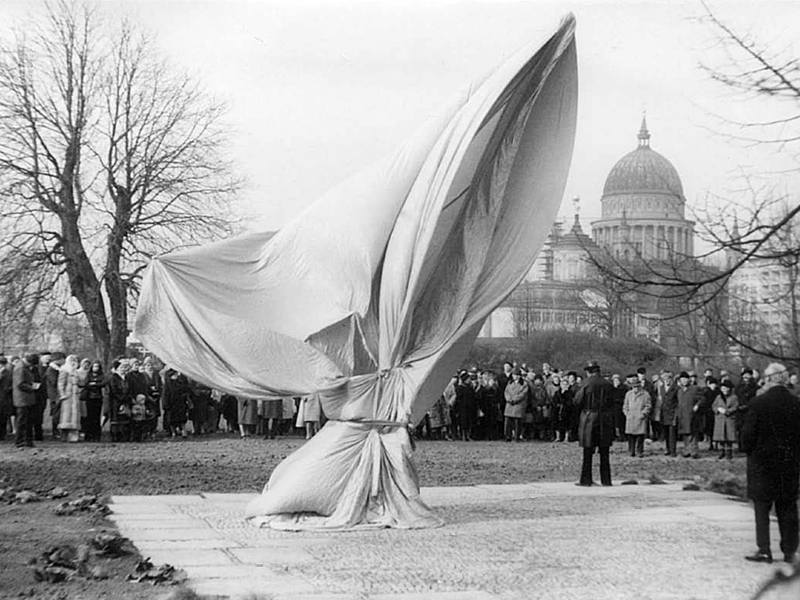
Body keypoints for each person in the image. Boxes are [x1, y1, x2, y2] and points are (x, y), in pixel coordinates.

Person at [742, 362, 800, 564]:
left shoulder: (758, 404)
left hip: (762, 464)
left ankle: (764, 549)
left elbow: (747, 437)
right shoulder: (796, 404)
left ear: (770, 379)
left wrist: (749, 451)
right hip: (789, 463)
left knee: (762, 507)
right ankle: (790, 551)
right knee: (788, 508)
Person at [573, 360, 616, 486]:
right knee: (605, 452)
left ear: (588, 371)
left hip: (589, 418)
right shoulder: (608, 384)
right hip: (605, 419)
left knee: (587, 451)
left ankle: (586, 480)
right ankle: (606, 480)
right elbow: (614, 401)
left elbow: (577, 401)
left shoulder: (585, 384)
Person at [12, 354, 38, 448]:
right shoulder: (21, 368)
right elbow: (20, 384)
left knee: (27, 420)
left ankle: (27, 440)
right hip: (22, 398)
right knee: (22, 420)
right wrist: (32, 387)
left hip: (25, 398)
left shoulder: (22, 367)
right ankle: (20, 441)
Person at [623, 373, 651, 457]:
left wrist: (643, 414)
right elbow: (625, 405)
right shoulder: (628, 394)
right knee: (631, 436)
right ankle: (631, 451)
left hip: (640, 418)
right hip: (630, 417)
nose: (635, 388)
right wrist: (627, 413)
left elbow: (648, 406)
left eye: (637, 386)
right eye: (634, 386)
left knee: (640, 437)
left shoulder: (645, 394)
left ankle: (639, 451)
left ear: (640, 386)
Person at [675, 371, 703, 459]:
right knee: (685, 434)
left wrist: (697, 405)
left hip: (692, 415)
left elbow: (702, 398)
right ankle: (687, 451)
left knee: (693, 433)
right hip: (682, 415)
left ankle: (694, 452)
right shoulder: (679, 391)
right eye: (682, 379)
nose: (684, 381)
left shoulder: (695, 389)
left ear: (689, 380)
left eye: (685, 379)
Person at [57, 355, 82, 442]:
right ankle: (65, 435)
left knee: (75, 415)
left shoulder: (76, 372)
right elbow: (60, 383)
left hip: (75, 394)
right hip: (68, 395)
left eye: (74, 361)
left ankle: (73, 436)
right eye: (71, 361)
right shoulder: (64, 370)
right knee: (67, 416)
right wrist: (62, 394)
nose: (73, 362)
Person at [712, 379, 738, 460]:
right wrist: (718, 410)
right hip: (719, 419)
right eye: (722, 388)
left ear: (729, 389)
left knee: (729, 437)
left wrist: (727, 411)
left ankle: (729, 453)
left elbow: (735, 407)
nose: (724, 390)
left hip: (729, 419)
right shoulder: (718, 397)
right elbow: (713, 406)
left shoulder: (734, 397)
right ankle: (721, 452)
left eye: (726, 388)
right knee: (721, 437)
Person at [83, 361, 107, 442]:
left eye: (97, 366)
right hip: (89, 398)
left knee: (97, 417)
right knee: (90, 417)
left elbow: (104, 383)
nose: (95, 368)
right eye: (94, 366)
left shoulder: (102, 375)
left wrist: (94, 384)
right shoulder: (88, 375)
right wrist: (94, 385)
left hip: (98, 398)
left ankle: (96, 436)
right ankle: (89, 435)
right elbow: (86, 384)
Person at [503, 367, 527, 442]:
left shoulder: (524, 383)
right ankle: (508, 436)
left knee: (517, 422)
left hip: (518, 405)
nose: (515, 376)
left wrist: (514, 400)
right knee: (508, 422)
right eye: (513, 375)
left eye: (516, 375)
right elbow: (506, 392)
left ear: (519, 375)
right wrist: (508, 399)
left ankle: (517, 437)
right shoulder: (509, 382)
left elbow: (522, 394)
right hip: (509, 404)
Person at [659, 370, 679, 457]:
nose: (666, 380)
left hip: (672, 413)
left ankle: (673, 450)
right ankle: (668, 449)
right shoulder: (662, 388)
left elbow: (678, 402)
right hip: (664, 414)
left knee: (672, 434)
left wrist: (676, 414)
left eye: (668, 378)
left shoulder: (676, 388)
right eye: (664, 378)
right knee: (666, 433)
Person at [0, 356, 13, 440]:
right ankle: (2, 434)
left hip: (3, 396)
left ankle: (2, 434)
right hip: (4, 396)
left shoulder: (7, 372)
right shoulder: (8, 372)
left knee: (3, 416)